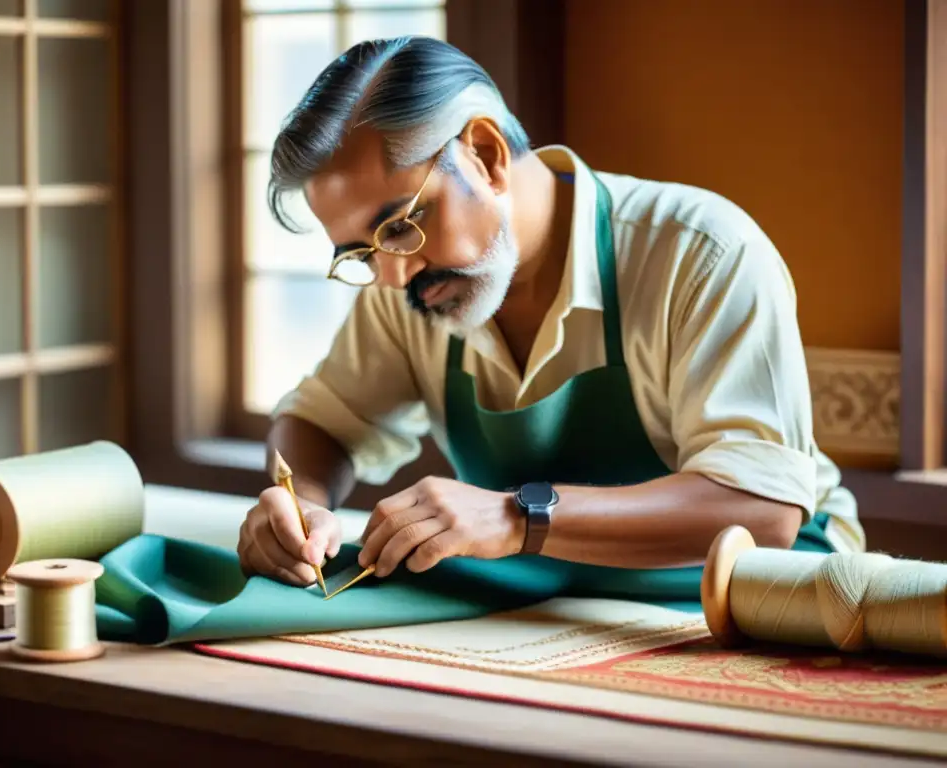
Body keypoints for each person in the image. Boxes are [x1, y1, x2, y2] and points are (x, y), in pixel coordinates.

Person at [237, 36, 864, 592]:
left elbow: (765, 512)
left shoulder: (700, 251)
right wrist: (301, 506)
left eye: (401, 226)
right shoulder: (411, 285)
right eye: (359, 254)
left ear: (484, 154)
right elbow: (322, 421)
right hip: (563, 607)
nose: (393, 275)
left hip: (775, 600)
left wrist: (518, 517)